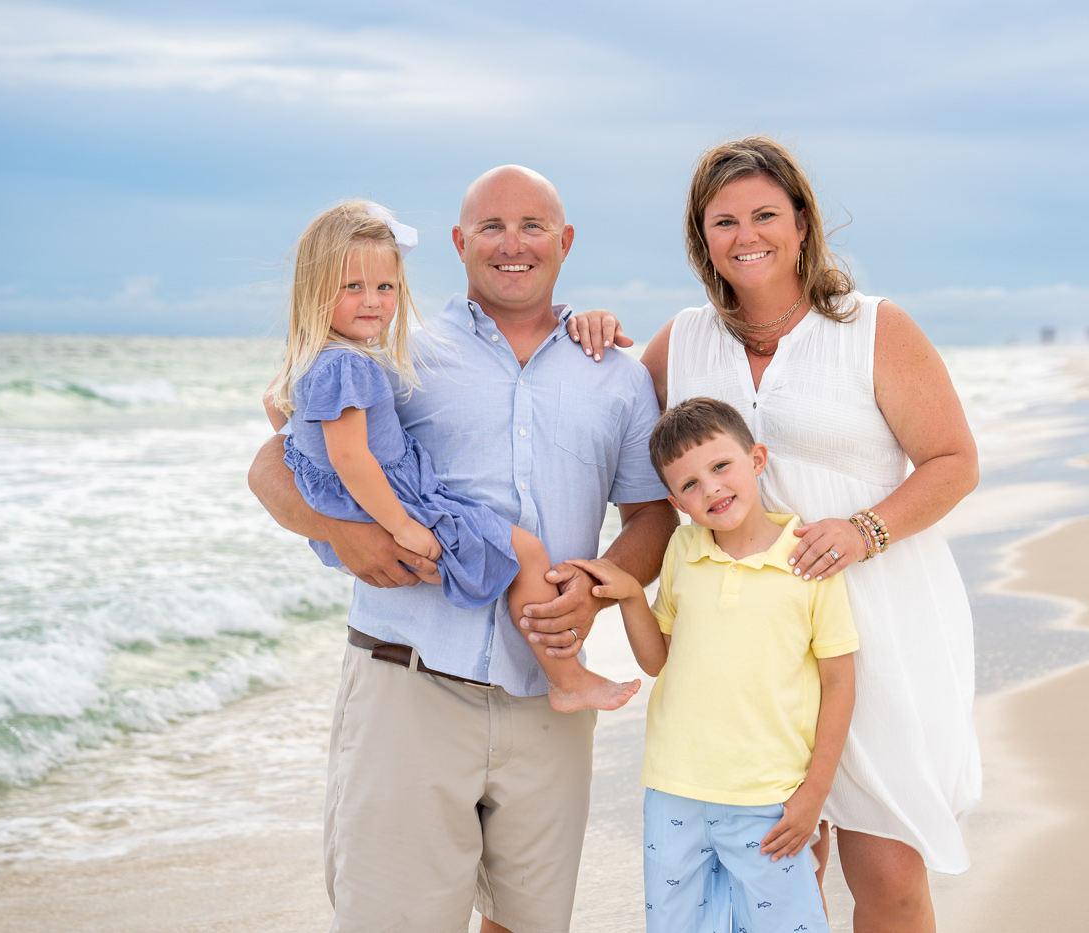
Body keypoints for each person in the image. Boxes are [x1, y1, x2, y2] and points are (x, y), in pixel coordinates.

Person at [247, 167, 679, 932]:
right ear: (459, 242)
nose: (512, 244)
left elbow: (650, 516)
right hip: (408, 682)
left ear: (565, 241)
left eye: (533, 226)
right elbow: (276, 461)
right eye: (491, 227)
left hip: (547, 697)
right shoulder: (390, 348)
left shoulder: (615, 373)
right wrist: (344, 533)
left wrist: (600, 586)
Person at [569, 137, 981, 932]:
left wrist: (866, 529)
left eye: (765, 213)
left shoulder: (872, 327)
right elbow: (604, 412)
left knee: (888, 870)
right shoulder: (682, 341)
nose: (746, 234)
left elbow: (954, 460)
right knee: (786, 872)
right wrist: (584, 325)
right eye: (723, 220)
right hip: (744, 652)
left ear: (801, 222)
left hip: (878, 618)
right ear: (702, 237)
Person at [264, 199, 639, 714]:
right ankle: (567, 677)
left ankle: (558, 674)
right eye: (353, 287)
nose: (372, 302)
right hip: (406, 592)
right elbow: (341, 459)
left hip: (404, 510)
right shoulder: (382, 362)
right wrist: (386, 525)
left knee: (497, 555)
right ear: (461, 243)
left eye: (385, 287)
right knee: (525, 553)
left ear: (564, 241)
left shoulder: (340, 361)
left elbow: (283, 412)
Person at [568, 397, 857, 933]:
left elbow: (840, 682)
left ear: (757, 458)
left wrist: (815, 793)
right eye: (689, 485)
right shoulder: (683, 549)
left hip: (769, 796)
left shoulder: (807, 558)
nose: (712, 490)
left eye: (721, 467)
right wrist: (632, 596)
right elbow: (660, 662)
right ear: (676, 501)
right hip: (675, 788)